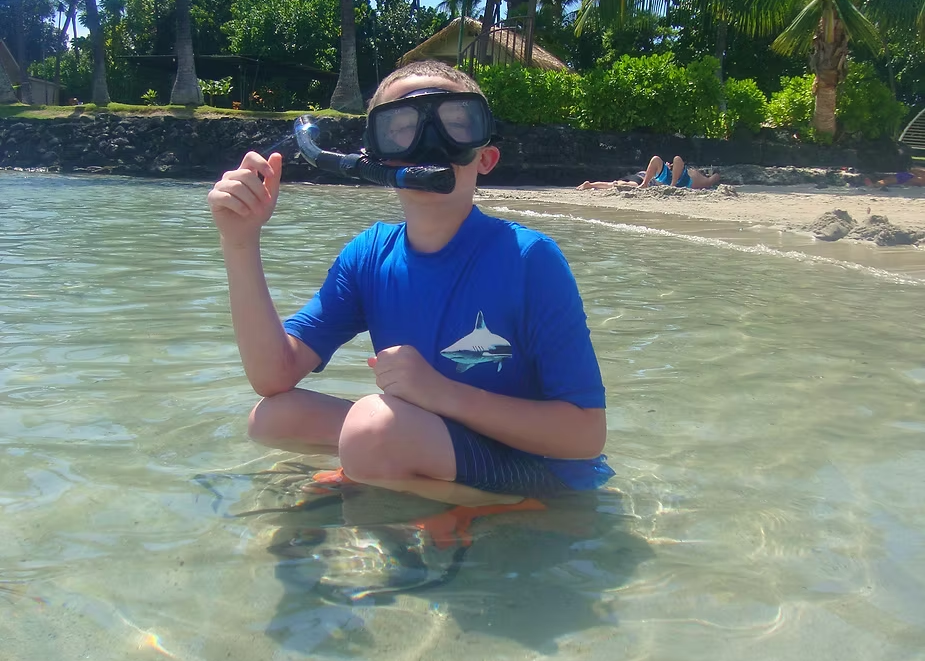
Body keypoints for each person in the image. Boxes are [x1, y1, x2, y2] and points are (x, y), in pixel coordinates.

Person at [207, 59, 613, 511]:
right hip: (436, 441)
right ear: (375, 157)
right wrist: (239, 241)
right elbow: (273, 376)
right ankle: (394, 472)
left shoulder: (529, 259)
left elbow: (586, 436)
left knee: (371, 427)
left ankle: (506, 509)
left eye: (455, 125)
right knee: (274, 419)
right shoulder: (370, 255)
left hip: (540, 471)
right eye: (401, 128)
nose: (429, 146)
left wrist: (441, 392)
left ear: (485, 156)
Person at [578, 154, 722, 191]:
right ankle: (669, 185)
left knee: (618, 184)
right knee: (657, 159)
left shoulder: (699, 178)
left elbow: (714, 178)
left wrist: (714, 176)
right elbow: (715, 177)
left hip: (667, 180)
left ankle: (591, 185)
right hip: (661, 179)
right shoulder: (695, 175)